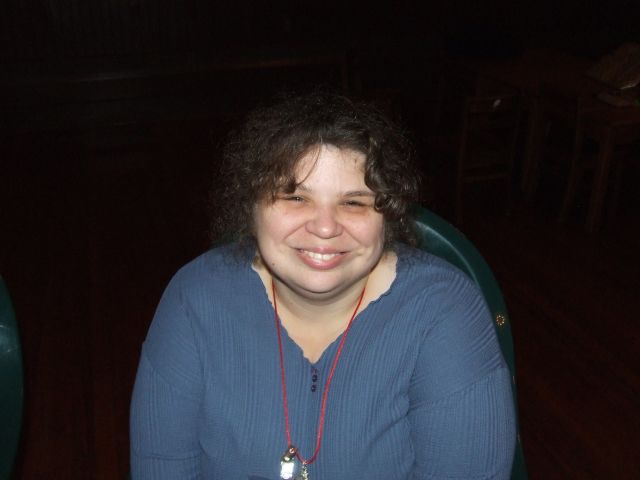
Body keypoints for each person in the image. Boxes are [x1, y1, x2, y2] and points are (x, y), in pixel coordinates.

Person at [130, 91, 516, 479]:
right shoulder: (193, 300)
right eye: (296, 197)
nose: (325, 227)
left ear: (388, 217)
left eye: (354, 203)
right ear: (250, 207)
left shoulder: (445, 311)